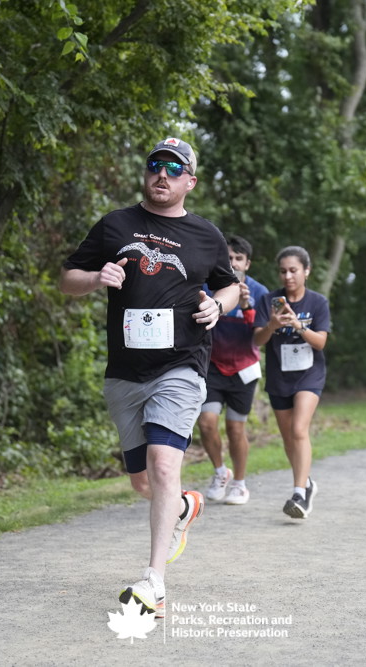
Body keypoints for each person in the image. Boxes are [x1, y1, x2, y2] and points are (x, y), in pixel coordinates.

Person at [60, 137, 240, 617]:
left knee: (163, 466)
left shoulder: (206, 235)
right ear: (146, 173)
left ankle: (154, 583)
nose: (163, 174)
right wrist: (95, 278)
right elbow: (66, 278)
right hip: (124, 372)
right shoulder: (115, 225)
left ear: (190, 181)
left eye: (174, 169)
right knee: (143, 482)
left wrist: (217, 306)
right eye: (156, 165)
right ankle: (182, 507)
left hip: (180, 365)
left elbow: (230, 286)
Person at [253, 246, 330, 519]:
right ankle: (306, 481)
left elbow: (321, 342)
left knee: (299, 430)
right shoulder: (268, 300)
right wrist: (272, 326)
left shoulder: (317, 302)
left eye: (293, 270)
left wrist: (299, 325)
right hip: (280, 375)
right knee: (288, 437)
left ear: (306, 271)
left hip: (309, 374)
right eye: (283, 271)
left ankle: (299, 494)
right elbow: (257, 341)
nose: (288, 276)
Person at [198, 235, 269, 506]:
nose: (233, 263)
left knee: (235, 429)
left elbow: (259, 337)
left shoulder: (259, 292)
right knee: (206, 423)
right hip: (212, 366)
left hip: (243, 369)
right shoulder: (207, 287)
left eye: (239, 258)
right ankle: (220, 472)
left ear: (247, 264)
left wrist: (247, 306)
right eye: (228, 258)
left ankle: (239, 483)